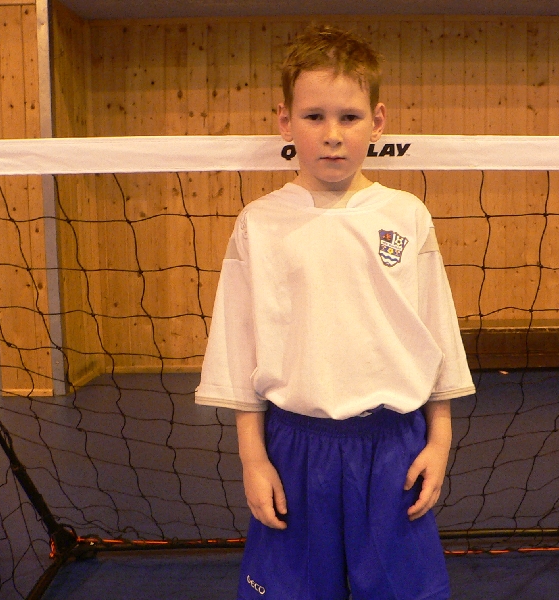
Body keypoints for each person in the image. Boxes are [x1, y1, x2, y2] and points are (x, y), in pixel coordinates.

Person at [195, 24, 475, 600]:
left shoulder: (406, 216)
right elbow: (238, 348)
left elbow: (436, 333)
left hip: (394, 446)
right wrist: (253, 459)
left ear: (377, 121)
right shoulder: (260, 223)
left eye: (349, 117)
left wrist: (439, 441)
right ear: (285, 121)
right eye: (314, 116)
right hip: (295, 449)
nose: (332, 135)